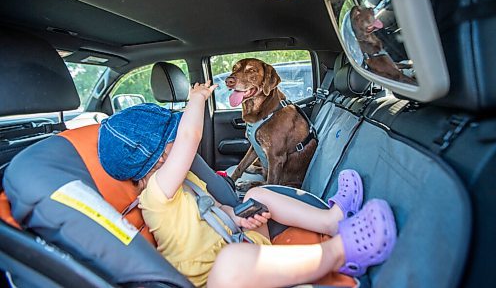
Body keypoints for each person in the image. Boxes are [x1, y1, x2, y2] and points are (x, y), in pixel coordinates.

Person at [97, 80, 397, 288]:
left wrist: (237, 215)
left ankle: (332, 220)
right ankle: (339, 252)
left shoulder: (184, 180)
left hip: (239, 242)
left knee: (257, 193)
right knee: (230, 262)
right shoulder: (156, 196)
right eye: (171, 141)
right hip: (218, 277)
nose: (179, 141)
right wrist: (197, 99)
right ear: (161, 156)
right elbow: (190, 138)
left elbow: (215, 211)